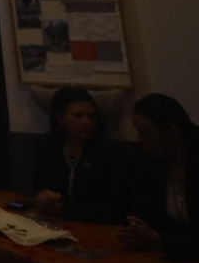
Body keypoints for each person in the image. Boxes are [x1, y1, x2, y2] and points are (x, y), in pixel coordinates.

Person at [118, 93, 199, 260]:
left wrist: (161, 239)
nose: (139, 140)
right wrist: (138, 227)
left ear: (173, 133)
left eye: (145, 133)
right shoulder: (150, 160)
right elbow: (145, 211)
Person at [32, 86, 134, 223]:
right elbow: (38, 188)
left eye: (91, 116)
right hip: (54, 224)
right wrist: (44, 198)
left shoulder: (112, 153)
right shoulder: (49, 146)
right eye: (78, 115)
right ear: (60, 118)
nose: (86, 122)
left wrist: (65, 209)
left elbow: (117, 209)